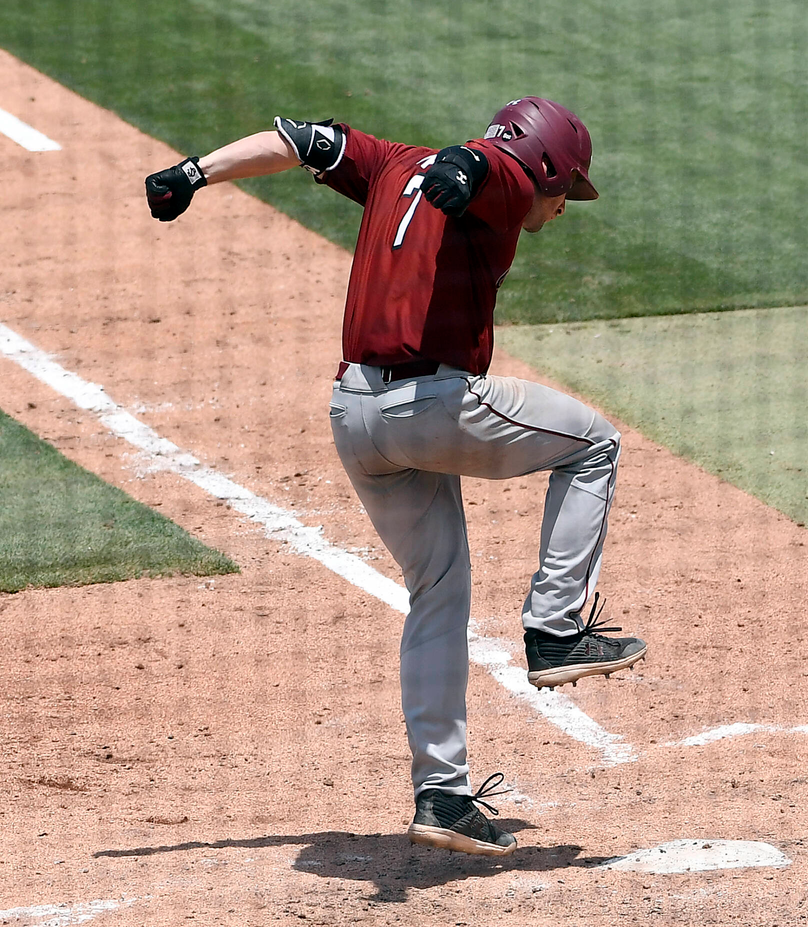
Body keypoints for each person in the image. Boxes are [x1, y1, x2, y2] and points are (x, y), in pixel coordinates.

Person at [145, 98, 647, 856]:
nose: (559, 205)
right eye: (563, 189)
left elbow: (297, 139)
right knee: (594, 444)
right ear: (544, 167)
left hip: (355, 416)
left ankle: (442, 796)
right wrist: (467, 165)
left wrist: (194, 173)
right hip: (434, 404)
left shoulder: (386, 163)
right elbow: (491, 168)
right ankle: (554, 629)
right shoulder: (510, 175)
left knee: (438, 586)